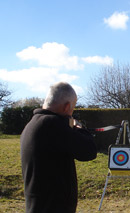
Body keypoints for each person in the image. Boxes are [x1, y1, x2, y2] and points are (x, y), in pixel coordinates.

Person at [21, 82, 97, 213]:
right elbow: (89, 151)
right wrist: (79, 128)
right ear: (67, 106)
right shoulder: (53, 124)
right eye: (72, 109)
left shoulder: (32, 124)